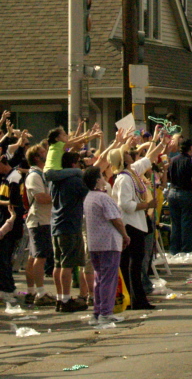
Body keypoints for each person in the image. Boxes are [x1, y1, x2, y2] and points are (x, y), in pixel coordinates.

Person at [109, 139, 163, 311]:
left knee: (131, 263)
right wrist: (147, 205)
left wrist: (159, 141)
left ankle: (133, 298)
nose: (129, 154)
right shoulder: (125, 179)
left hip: (136, 223)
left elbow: (149, 159)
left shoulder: (132, 173)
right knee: (134, 264)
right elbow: (124, 204)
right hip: (131, 224)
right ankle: (136, 299)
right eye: (126, 153)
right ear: (122, 159)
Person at [83, 166, 129, 325]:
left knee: (100, 278)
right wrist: (125, 235)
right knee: (109, 279)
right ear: (97, 180)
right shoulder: (103, 198)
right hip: (108, 243)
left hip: (95, 243)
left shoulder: (88, 197)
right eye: (101, 176)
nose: (104, 178)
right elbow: (116, 220)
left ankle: (98, 312)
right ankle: (105, 312)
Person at [50, 150, 89, 312]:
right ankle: (66, 300)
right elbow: (88, 195)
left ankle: (60, 298)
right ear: (74, 164)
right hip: (70, 225)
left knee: (58, 263)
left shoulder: (55, 181)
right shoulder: (74, 181)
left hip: (56, 222)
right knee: (67, 264)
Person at [23, 145, 57, 306]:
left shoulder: (41, 173)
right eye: (43, 152)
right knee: (40, 257)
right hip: (39, 221)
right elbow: (41, 198)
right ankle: (40, 293)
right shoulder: (34, 176)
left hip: (43, 219)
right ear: (36, 157)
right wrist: (58, 196)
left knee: (33, 257)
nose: (46, 153)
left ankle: (31, 291)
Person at [0, 153, 25, 303]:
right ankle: (6, 288)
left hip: (11, 224)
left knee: (4, 258)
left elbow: (14, 202)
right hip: (6, 222)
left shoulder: (14, 178)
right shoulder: (6, 177)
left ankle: (8, 290)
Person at [167, 137, 192, 255]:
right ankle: (186, 250)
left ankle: (174, 249)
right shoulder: (190, 161)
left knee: (175, 223)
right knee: (187, 223)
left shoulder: (173, 160)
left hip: (172, 191)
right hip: (186, 192)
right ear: (190, 148)